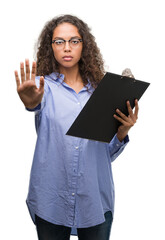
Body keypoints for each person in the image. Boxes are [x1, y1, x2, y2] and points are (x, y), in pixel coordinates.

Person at [14, 14, 138, 240]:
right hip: (51, 201)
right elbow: (34, 105)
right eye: (59, 42)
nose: (67, 47)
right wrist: (30, 103)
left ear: (84, 45)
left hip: (94, 200)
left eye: (74, 41)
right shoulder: (43, 88)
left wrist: (121, 132)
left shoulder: (101, 94)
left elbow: (103, 154)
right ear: (50, 47)